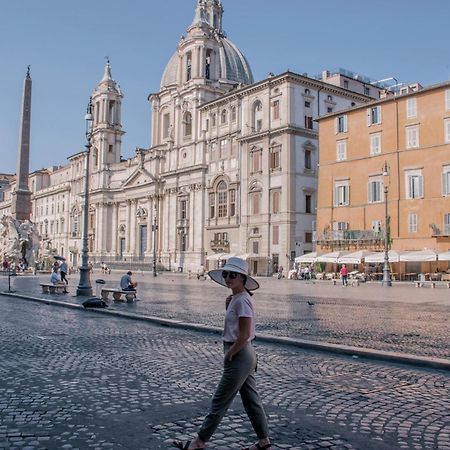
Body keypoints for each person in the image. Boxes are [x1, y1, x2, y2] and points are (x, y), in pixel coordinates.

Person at [173, 257, 271, 450]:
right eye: (225, 274)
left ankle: (199, 441)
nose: (227, 278)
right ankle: (264, 441)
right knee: (251, 400)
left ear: (242, 278)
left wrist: (229, 354)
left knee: (220, 400)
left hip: (239, 354)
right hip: (243, 354)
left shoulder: (242, 300)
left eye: (232, 275)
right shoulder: (236, 299)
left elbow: (243, 335)